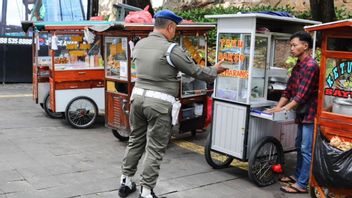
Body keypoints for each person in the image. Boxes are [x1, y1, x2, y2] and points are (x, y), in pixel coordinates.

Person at [118, 10, 227, 198]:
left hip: (137, 99)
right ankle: (146, 191)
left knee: (136, 140)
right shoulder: (171, 49)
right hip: (158, 103)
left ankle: (125, 182)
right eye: (175, 29)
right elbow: (196, 72)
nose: (174, 33)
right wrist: (215, 70)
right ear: (170, 27)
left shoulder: (140, 44)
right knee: (155, 146)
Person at [267, 31, 319, 194]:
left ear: (305, 46)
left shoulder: (311, 66)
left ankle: (303, 184)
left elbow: (301, 95)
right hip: (302, 113)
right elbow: (288, 90)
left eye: (294, 45)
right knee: (299, 145)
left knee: (305, 148)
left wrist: (284, 109)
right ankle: (298, 177)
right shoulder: (298, 65)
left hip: (310, 113)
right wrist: (278, 107)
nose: (291, 48)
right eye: (291, 45)